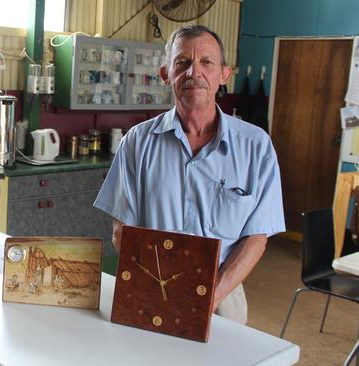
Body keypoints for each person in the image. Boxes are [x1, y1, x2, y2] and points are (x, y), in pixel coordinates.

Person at [93, 24, 284, 324]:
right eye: (182, 62)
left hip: (223, 296)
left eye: (206, 62)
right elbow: (123, 231)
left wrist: (210, 298)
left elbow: (257, 238)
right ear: (165, 74)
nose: (194, 72)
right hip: (151, 291)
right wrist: (157, 288)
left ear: (224, 75)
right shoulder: (137, 143)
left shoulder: (256, 147)